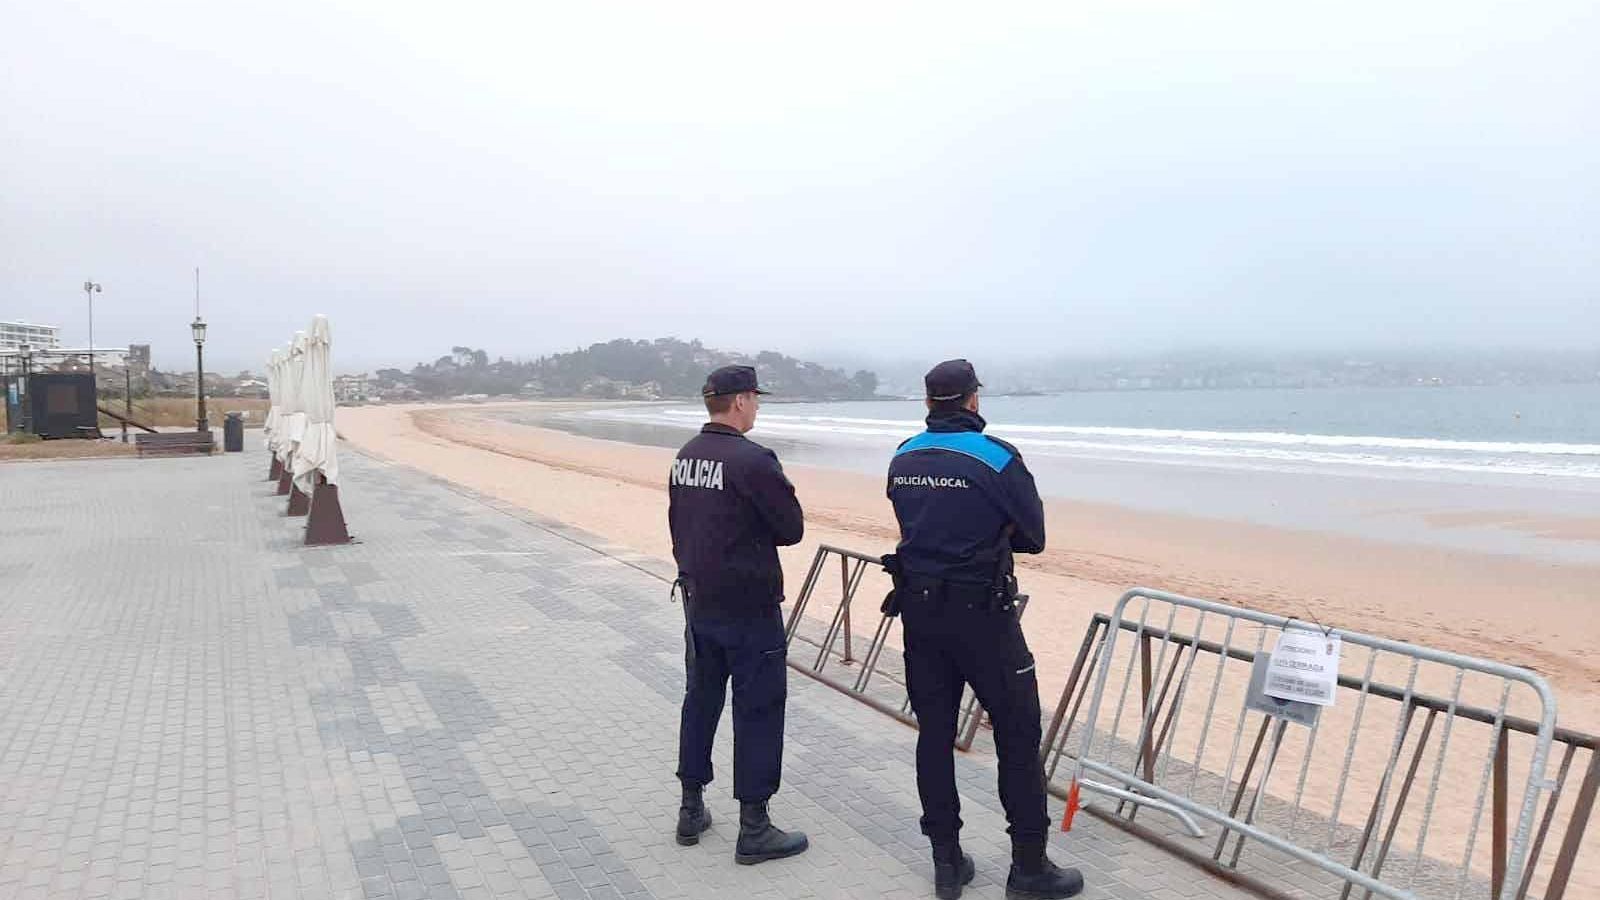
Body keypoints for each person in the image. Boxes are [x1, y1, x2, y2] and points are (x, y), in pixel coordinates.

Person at [885, 359, 1083, 900]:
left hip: (921, 613)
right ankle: (1029, 866)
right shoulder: (997, 457)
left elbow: (914, 521)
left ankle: (946, 862)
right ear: (973, 400)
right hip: (983, 617)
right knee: (1018, 734)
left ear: (929, 402)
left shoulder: (904, 456)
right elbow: (1033, 537)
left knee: (934, 735)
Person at [668, 364, 809, 865]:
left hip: (700, 601)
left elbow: (681, 523)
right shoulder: (752, 460)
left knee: (700, 701)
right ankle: (755, 826)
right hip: (749, 607)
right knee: (759, 710)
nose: (757, 407)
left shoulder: (686, 456)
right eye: (755, 398)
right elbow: (791, 529)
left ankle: (690, 807)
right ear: (742, 400)